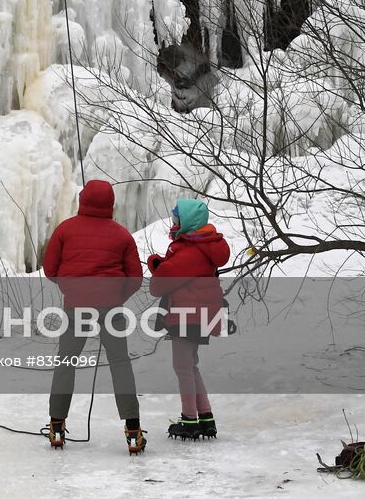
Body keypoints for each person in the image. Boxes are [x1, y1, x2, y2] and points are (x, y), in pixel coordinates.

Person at [41, 178, 146, 453]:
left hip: (76, 307)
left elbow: (50, 268)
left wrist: (70, 288)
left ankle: (56, 427)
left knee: (66, 363)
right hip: (110, 308)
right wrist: (115, 297)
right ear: (111, 203)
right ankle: (133, 429)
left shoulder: (65, 230)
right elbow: (135, 277)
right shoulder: (122, 234)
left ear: (83, 200)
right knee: (120, 364)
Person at [147, 198, 231, 441]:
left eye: (177, 219)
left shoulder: (189, 249)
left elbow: (160, 284)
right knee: (190, 366)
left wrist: (156, 265)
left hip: (187, 312)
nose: (174, 223)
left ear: (188, 222)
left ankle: (190, 420)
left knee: (182, 367)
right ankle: (205, 418)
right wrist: (163, 266)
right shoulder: (204, 246)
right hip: (198, 312)